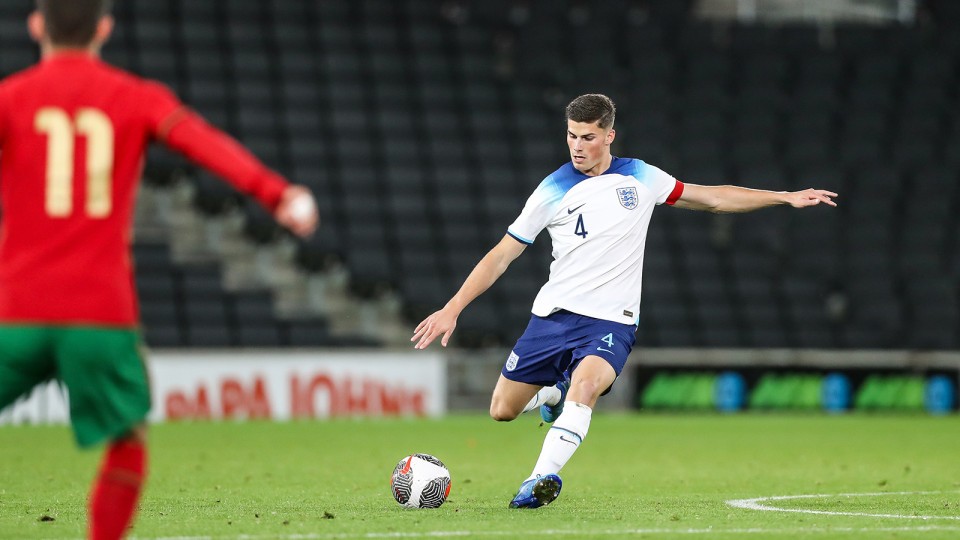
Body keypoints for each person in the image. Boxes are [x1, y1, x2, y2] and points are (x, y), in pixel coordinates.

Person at [411, 93, 836, 509]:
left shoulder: (640, 177)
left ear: (610, 135)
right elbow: (502, 254)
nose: (578, 146)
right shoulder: (552, 190)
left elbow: (713, 197)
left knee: (587, 386)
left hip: (611, 321)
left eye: (588, 137)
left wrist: (783, 196)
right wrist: (453, 308)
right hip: (553, 318)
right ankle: (552, 398)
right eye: (572, 136)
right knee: (502, 410)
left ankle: (537, 479)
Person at [0, 1, 318, 538]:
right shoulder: (136, 97)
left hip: (16, 309)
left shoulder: (9, 99)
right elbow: (206, 145)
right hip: (100, 313)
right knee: (127, 443)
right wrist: (277, 193)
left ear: (36, 26)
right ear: (105, 28)